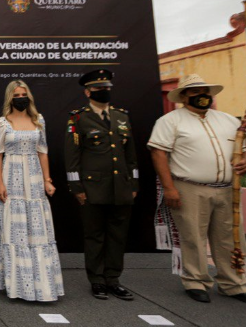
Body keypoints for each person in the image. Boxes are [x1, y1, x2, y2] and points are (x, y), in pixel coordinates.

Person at [148, 74, 246, 303]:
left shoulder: (228, 120)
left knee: (230, 238)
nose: (201, 96)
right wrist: (169, 188)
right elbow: (158, 153)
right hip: (190, 187)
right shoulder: (170, 121)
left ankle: (233, 283)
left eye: (205, 91)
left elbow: (242, 150)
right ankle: (196, 281)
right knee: (193, 236)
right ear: (183, 96)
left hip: (226, 189)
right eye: (194, 92)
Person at [0, 80, 63, 301]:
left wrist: (47, 180)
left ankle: (41, 285)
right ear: (10, 98)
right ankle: (14, 284)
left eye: (24, 94)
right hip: (11, 178)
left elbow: (43, 151)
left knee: (36, 231)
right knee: (12, 230)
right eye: (16, 95)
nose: (20, 98)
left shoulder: (38, 121)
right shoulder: (1, 123)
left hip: (34, 179)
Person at [63, 69, 138, 301]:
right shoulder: (78, 118)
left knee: (117, 235)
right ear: (88, 92)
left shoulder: (121, 117)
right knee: (94, 235)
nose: (103, 91)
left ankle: (113, 279)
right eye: (98, 88)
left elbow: (131, 155)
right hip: (92, 188)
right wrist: (77, 188)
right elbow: (72, 156)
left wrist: (133, 183)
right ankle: (97, 280)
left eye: (106, 87)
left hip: (121, 187)